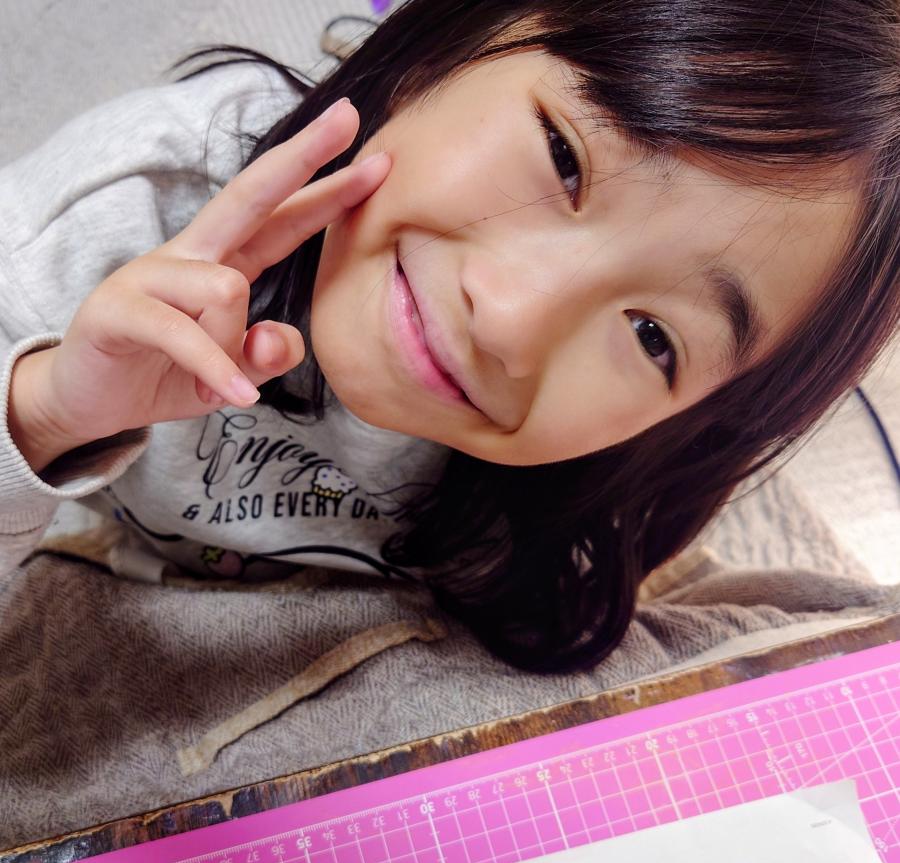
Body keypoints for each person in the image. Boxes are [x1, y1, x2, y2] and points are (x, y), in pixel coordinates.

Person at [1, 1, 898, 673]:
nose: (510, 319)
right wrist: (46, 412)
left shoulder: (591, 476)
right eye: (564, 157)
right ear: (452, 38)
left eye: (654, 337)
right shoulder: (125, 209)